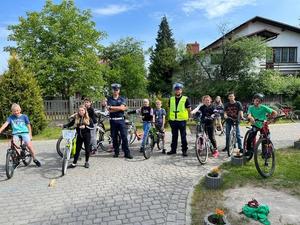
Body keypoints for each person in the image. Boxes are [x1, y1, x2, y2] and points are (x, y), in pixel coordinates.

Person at [106, 83, 133, 159]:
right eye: (114, 90)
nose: (115, 91)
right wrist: (119, 108)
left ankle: (127, 153)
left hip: (121, 120)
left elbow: (123, 108)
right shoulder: (109, 99)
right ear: (112, 91)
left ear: (119, 91)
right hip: (113, 121)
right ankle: (116, 152)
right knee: (114, 138)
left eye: (117, 90)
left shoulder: (122, 98)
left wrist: (112, 107)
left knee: (124, 137)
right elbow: (109, 110)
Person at [168, 83, 191, 156]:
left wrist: (189, 117)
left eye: (179, 89)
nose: (177, 91)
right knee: (174, 136)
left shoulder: (185, 98)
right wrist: (169, 118)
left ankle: (184, 150)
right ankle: (173, 150)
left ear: (181, 90)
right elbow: (169, 109)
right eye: (176, 89)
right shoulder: (171, 99)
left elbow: (189, 109)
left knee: (183, 136)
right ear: (174, 91)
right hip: (173, 121)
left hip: (182, 121)